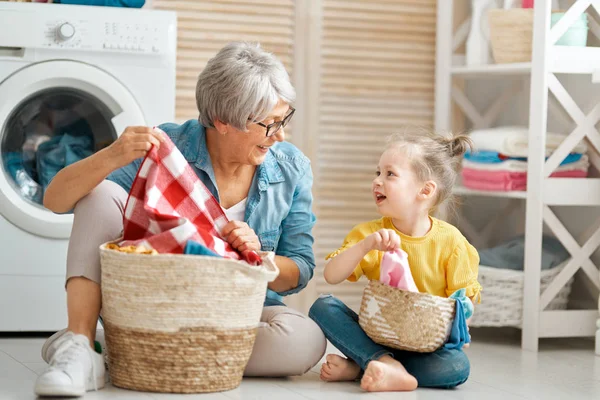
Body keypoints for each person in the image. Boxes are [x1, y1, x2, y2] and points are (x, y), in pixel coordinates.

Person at [34, 42, 326, 397]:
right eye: (270, 124)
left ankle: (122, 348)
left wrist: (260, 257)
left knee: (305, 340)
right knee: (100, 194)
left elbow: (300, 268)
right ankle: (79, 343)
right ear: (223, 121)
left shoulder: (291, 168)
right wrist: (113, 154)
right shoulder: (168, 148)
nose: (280, 135)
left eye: (284, 119)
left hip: (237, 312)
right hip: (159, 303)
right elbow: (55, 200)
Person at [309, 130, 482, 392]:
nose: (377, 181)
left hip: (423, 345)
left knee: (457, 367)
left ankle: (366, 365)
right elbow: (332, 275)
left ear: (425, 190)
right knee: (322, 307)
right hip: (377, 335)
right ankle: (381, 361)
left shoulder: (452, 243)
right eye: (377, 172)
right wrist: (367, 245)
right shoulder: (369, 234)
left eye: (389, 174)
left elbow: (464, 300)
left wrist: (462, 326)